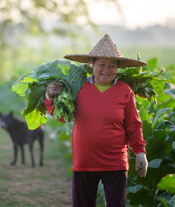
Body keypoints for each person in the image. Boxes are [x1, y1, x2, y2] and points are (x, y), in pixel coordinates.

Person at [44, 34, 148, 207]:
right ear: (92, 65)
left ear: (118, 68)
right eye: (101, 64)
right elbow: (63, 116)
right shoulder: (78, 87)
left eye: (112, 65)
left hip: (115, 162)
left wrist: (140, 152)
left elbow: (134, 125)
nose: (106, 70)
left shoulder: (125, 91)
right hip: (84, 162)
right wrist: (49, 96)